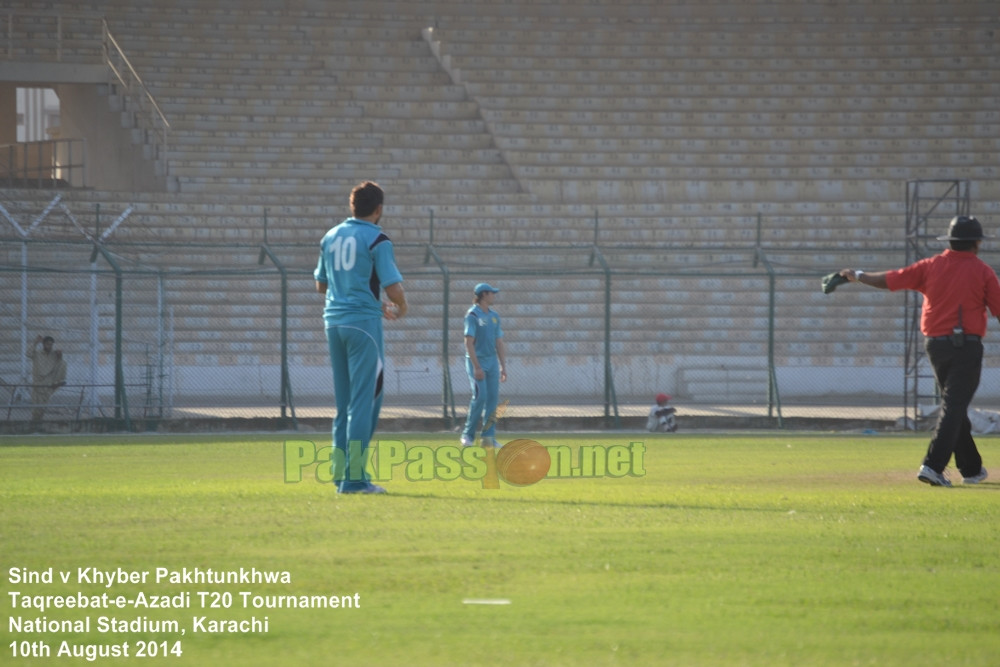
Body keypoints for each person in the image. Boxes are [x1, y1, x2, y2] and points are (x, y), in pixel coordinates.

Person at [839, 215, 997, 487]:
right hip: (966, 346)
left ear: (950, 242)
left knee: (954, 406)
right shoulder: (982, 271)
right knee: (954, 406)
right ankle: (933, 466)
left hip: (935, 346)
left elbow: (890, 279)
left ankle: (971, 469)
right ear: (977, 243)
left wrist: (860, 276)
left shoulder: (930, 266)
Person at [314, 181, 407, 494]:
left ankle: (340, 474)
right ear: (378, 209)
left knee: (344, 405)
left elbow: (321, 285)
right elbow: (393, 287)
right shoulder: (377, 239)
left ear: (352, 207)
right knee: (365, 403)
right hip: (363, 327)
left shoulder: (330, 236)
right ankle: (355, 480)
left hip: (334, 323)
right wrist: (401, 307)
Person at [460, 283, 507, 448]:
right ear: (483, 295)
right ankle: (468, 435)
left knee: (492, 401)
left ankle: (488, 438)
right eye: (491, 293)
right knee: (480, 397)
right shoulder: (472, 315)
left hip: (492, 361)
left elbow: (499, 342)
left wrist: (503, 366)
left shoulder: (494, 316)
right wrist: (477, 366)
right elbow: (468, 342)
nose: (494, 296)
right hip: (476, 361)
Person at [27, 334, 67, 422]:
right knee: (36, 408)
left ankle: (38, 424)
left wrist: (60, 356)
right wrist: (35, 342)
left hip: (48, 384)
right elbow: (28, 353)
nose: (49, 346)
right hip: (38, 384)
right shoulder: (37, 354)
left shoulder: (54, 355)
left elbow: (60, 364)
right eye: (47, 344)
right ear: (43, 344)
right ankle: (35, 424)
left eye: (51, 344)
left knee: (43, 408)